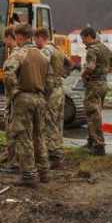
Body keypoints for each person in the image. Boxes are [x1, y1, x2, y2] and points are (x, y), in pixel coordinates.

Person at [3, 24, 50, 187]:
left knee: (24, 136)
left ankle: (29, 174)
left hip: (24, 98)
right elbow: (50, 79)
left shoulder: (19, 54)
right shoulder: (42, 55)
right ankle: (44, 171)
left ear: (19, 37)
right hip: (40, 98)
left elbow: (8, 74)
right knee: (39, 135)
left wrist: (14, 91)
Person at [35, 28, 69, 169]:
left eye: (35, 39)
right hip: (60, 89)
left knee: (50, 123)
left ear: (40, 37)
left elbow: (39, 64)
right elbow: (69, 64)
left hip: (51, 92)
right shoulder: (58, 49)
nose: (35, 42)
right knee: (58, 123)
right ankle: (59, 151)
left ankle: (55, 157)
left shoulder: (47, 50)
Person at [80, 27, 112, 156]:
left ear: (89, 36)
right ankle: (91, 141)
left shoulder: (92, 50)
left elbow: (90, 66)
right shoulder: (103, 47)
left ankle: (98, 145)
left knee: (93, 115)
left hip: (94, 84)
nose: (83, 41)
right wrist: (106, 71)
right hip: (103, 83)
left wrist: (83, 75)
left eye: (83, 38)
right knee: (96, 113)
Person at [0, 25, 20, 172]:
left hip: (15, 99)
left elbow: (9, 78)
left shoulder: (14, 56)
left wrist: (13, 94)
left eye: (5, 38)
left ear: (10, 37)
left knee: (12, 131)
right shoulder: (27, 52)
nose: (4, 41)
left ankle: (13, 163)